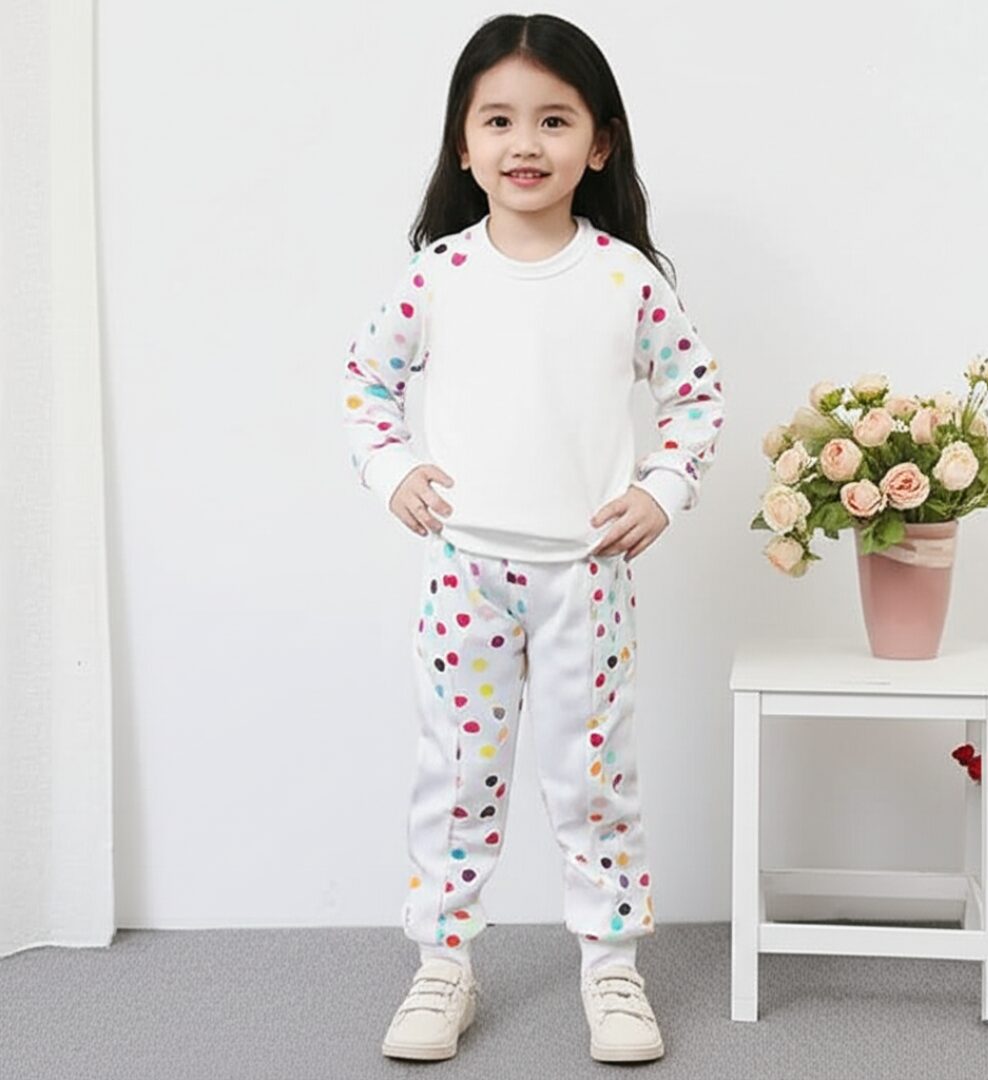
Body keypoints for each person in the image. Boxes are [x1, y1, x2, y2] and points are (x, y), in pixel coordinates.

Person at [342, 12, 725, 1065]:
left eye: (554, 121)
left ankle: (612, 969)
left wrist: (663, 487)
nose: (526, 144)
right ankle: (442, 966)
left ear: (599, 143)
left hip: (585, 579)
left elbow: (696, 398)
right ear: (463, 144)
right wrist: (392, 469)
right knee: (458, 775)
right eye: (499, 120)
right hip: (464, 575)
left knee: (593, 779)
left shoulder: (625, 279)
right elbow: (366, 383)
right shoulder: (439, 274)